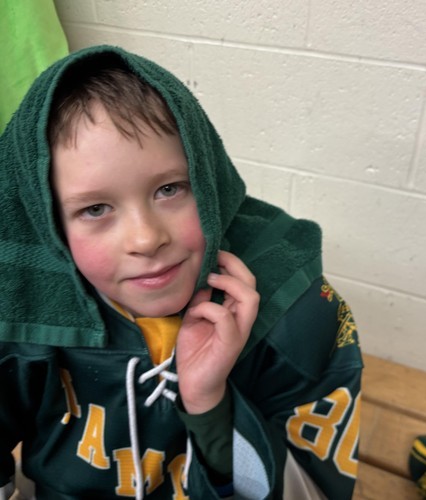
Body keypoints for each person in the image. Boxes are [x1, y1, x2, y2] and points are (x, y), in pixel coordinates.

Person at [0, 45, 362, 499]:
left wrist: (210, 405)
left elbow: (313, 490)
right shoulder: (19, 309)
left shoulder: (298, 312)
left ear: (209, 178)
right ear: (47, 222)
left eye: (170, 189)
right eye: (95, 209)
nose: (146, 239)